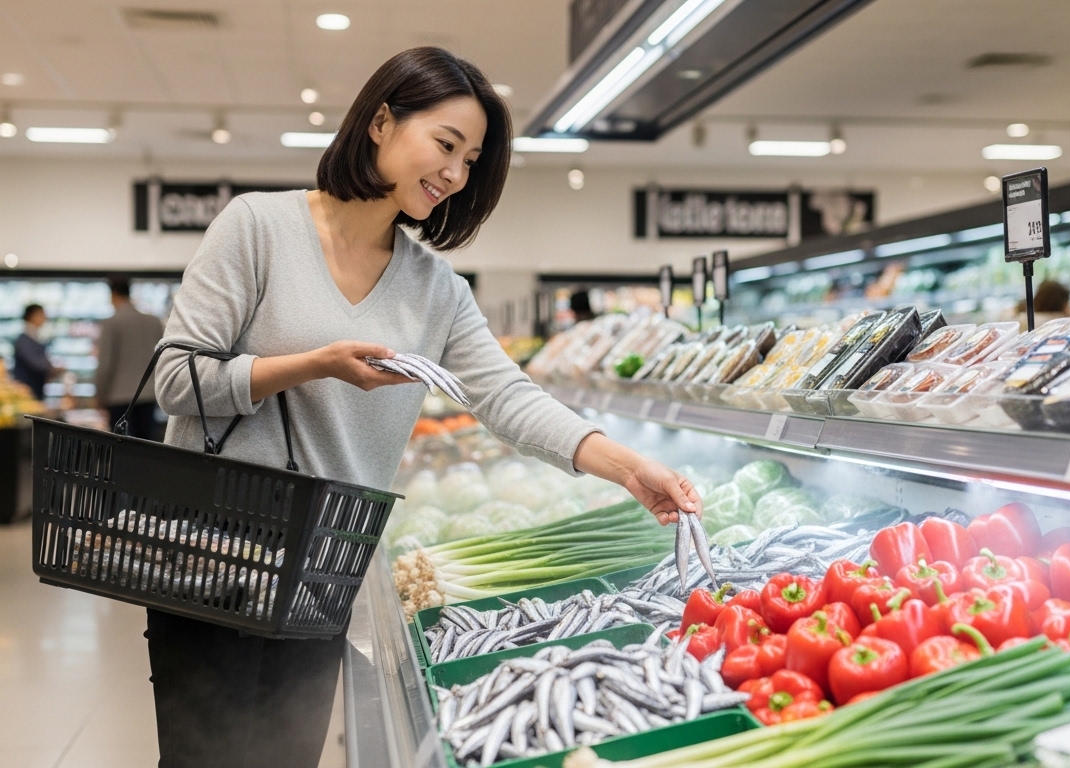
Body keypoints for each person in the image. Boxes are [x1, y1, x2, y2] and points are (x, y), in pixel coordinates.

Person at [149, 47, 702, 768]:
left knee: (287, 756)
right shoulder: (257, 228)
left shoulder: (437, 289)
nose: (454, 173)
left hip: (324, 565)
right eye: (445, 144)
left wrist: (628, 467)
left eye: (470, 160)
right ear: (381, 121)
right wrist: (314, 366)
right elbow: (175, 378)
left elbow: (507, 398)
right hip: (214, 551)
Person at [95, 278, 165, 439]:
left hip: (118, 397)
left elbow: (105, 364)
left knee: (121, 449)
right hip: (148, 394)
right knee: (147, 447)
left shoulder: (111, 323)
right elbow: (162, 358)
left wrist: (99, 396)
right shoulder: (153, 321)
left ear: (113, 295)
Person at [12, 304, 56, 400]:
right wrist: (52, 369)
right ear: (32, 316)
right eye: (42, 314)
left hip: (36, 389)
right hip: (27, 391)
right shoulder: (24, 341)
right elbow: (36, 364)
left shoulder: (35, 337)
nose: (45, 318)